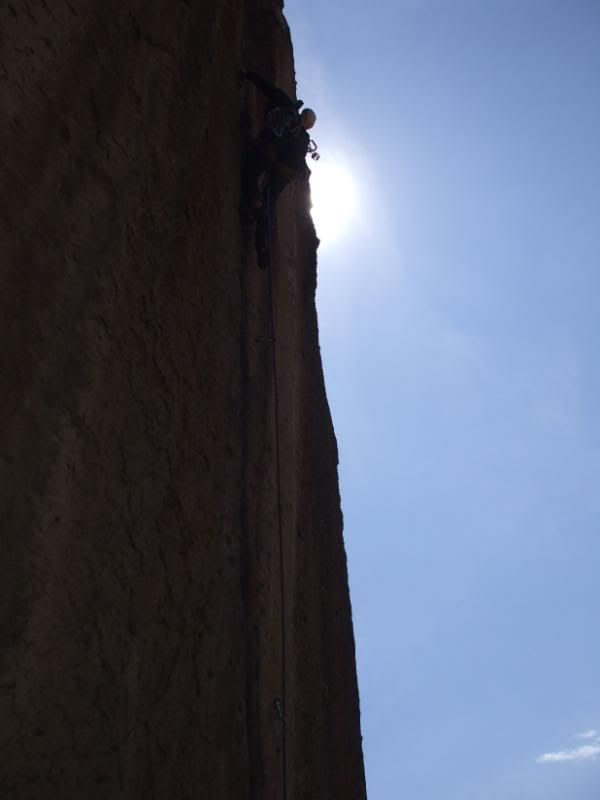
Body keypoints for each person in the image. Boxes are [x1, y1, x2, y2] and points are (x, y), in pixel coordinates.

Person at [241, 68, 317, 266]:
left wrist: (248, 74)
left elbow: (267, 87)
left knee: (249, 175)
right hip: (282, 168)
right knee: (269, 200)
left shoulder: (286, 105)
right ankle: (262, 241)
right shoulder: (303, 137)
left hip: (267, 150)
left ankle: (254, 208)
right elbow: (296, 160)